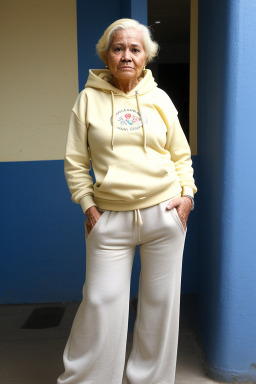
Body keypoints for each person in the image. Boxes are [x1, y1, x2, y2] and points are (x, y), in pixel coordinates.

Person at [57, 18, 197, 384]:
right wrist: (88, 205)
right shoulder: (87, 99)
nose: (126, 56)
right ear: (106, 55)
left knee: (159, 308)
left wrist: (186, 198)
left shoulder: (160, 98)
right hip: (109, 219)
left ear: (146, 57)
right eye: (118, 48)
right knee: (101, 304)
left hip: (164, 215)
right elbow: (74, 161)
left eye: (135, 49)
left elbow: (181, 156)